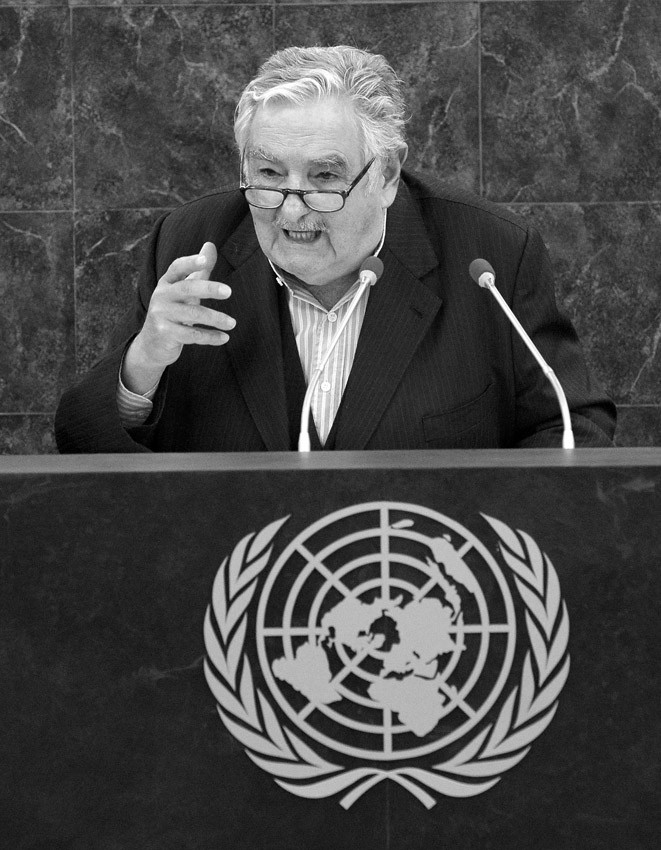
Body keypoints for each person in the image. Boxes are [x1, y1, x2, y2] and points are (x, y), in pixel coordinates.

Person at [55, 45, 616, 453]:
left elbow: (574, 428)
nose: (291, 210)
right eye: (269, 174)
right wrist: (143, 364)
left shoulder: (490, 255)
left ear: (388, 173)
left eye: (325, 179)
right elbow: (81, 444)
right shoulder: (192, 244)